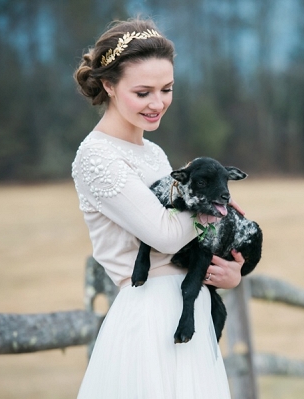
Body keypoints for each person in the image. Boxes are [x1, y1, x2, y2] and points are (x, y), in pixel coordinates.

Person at [72, 18, 244, 398]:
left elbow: (185, 234)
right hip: (149, 318)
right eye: (143, 92)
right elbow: (164, 235)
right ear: (109, 85)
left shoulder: (153, 153)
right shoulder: (97, 156)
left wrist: (226, 272)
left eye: (166, 89)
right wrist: (217, 209)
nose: (158, 103)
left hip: (188, 307)